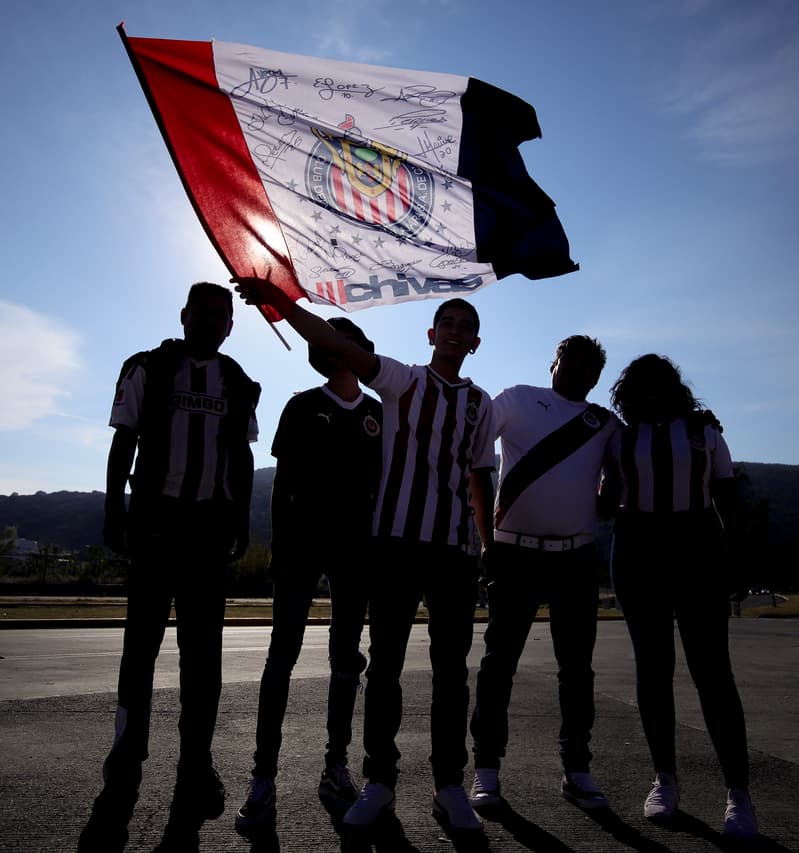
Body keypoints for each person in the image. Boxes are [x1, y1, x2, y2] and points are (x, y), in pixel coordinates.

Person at [232, 276, 496, 836]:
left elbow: (479, 478)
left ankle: (449, 785)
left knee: (451, 674)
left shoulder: (479, 404)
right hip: (395, 545)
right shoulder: (400, 383)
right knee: (385, 670)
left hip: (450, 550)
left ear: (476, 342)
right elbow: (340, 347)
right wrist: (281, 304)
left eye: (466, 326)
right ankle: (376, 781)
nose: (455, 331)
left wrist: (486, 543)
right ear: (431, 332)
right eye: (447, 322)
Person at [79, 281, 260, 853]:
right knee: (140, 654)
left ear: (231, 325)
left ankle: (195, 768)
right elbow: (122, 443)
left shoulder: (238, 383)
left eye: (220, 315)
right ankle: (124, 768)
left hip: (209, 534)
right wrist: (115, 511)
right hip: (156, 530)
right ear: (183, 316)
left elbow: (244, 454)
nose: (210, 322)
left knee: (202, 663)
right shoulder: (146, 367)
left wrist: (242, 521)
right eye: (201, 313)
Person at [234, 317, 383, 837]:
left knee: (346, 659)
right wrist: (279, 547)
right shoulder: (301, 405)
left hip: (355, 553)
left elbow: (384, 491)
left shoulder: (377, 415)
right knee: (282, 657)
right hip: (301, 549)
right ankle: (262, 777)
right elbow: (282, 485)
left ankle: (335, 763)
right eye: (326, 342)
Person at [600, 353, 757, 840]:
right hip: (638, 549)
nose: (651, 392)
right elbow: (606, 503)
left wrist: (738, 563)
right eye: (642, 385)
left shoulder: (704, 433)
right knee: (653, 668)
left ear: (675, 388)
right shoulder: (618, 438)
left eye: (658, 383)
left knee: (712, 671)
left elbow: (728, 499)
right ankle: (664, 780)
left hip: (696, 548)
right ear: (627, 393)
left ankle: (739, 793)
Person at [468, 335, 615, 813]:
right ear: (553, 363)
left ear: (597, 378)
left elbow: (642, 455)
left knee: (577, 671)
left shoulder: (606, 425)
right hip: (514, 553)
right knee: (498, 665)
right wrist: (485, 543)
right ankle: (486, 770)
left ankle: (577, 769)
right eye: (569, 364)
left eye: (588, 370)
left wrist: (697, 420)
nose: (576, 374)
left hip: (576, 558)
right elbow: (471, 453)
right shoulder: (515, 399)